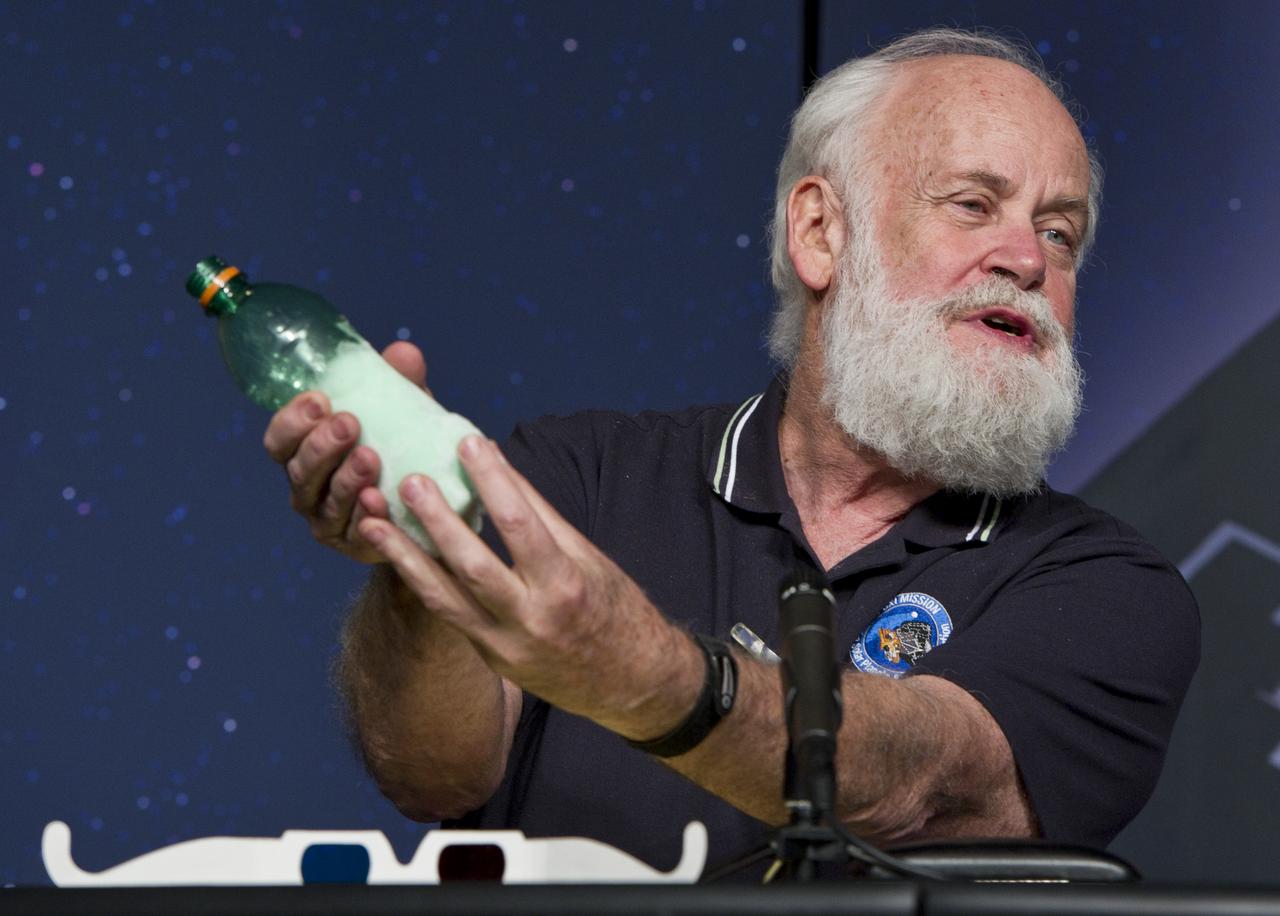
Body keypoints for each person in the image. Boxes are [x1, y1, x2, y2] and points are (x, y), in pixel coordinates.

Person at [263, 28, 1199, 873]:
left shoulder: (1110, 589)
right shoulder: (581, 479)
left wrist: (637, 668)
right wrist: (418, 548)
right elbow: (431, 775)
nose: (1028, 260)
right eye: (973, 204)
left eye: (1059, 232)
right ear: (821, 233)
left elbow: (932, 781)